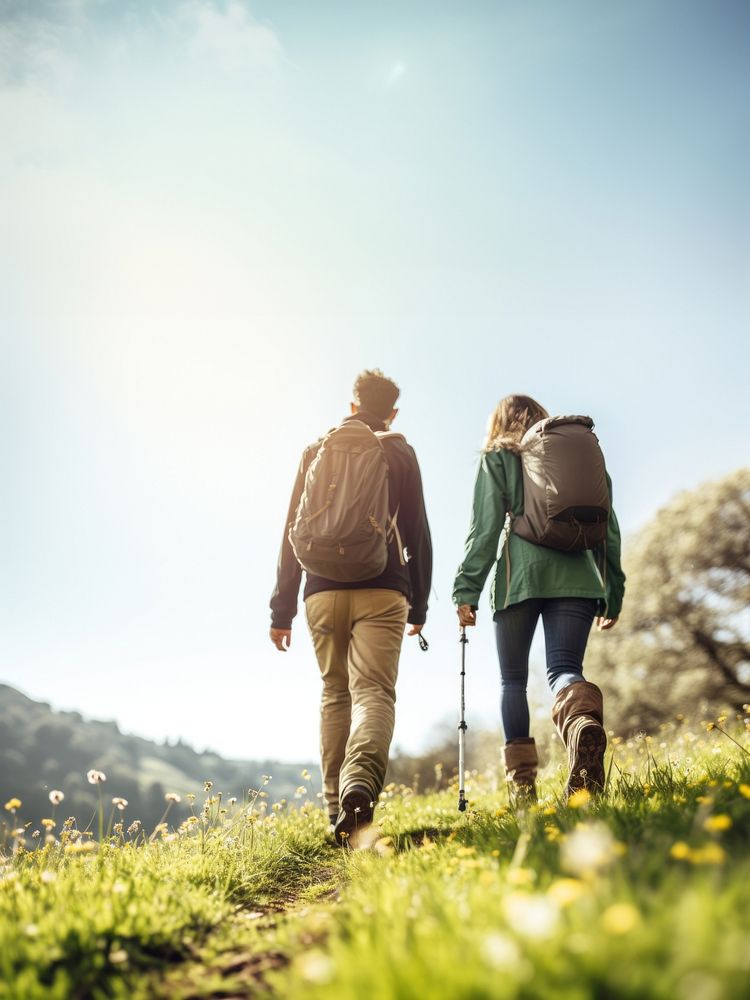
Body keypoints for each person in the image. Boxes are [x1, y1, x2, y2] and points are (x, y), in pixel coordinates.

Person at [270, 369, 432, 843]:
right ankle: (358, 787)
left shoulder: (317, 448)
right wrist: (418, 602)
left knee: (334, 694)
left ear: (353, 402)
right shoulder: (399, 449)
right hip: (383, 588)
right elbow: (417, 532)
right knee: (373, 694)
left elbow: (289, 531)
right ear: (393, 411)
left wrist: (282, 610)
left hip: (320, 590)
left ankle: (333, 811)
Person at [452, 394, 625, 803]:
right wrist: (612, 591)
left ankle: (522, 786)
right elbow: (609, 527)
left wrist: (467, 589)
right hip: (579, 575)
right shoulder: (576, 457)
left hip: (520, 578)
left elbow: (485, 528)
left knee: (512, 681)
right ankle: (581, 722)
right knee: (564, 668)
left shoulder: (497, 457)